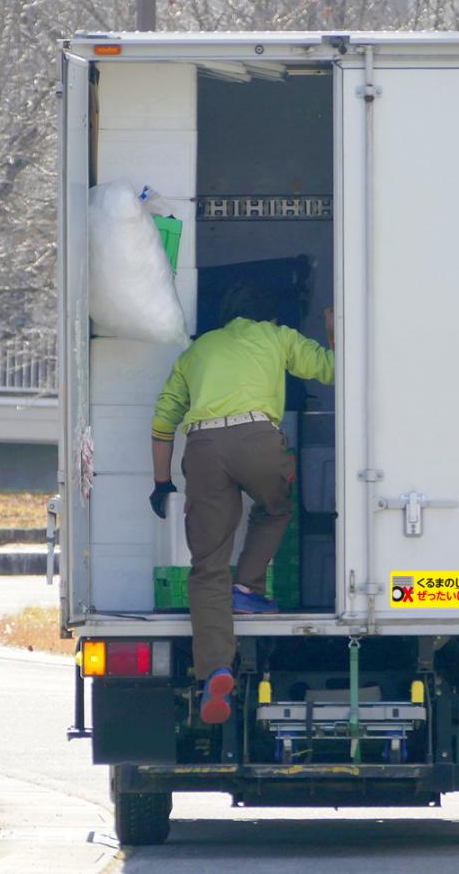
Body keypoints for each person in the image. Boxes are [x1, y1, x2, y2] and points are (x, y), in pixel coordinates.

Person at [149, 283, 334, 724]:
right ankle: (249, 589)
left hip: (203, 447)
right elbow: (330, 370)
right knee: (275, 507)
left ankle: (215, 669)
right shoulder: (277, 336)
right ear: (267, 315)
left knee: (208, 564)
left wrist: (161, 482)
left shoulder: (197, 351)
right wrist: (332, 331)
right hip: (258, 441)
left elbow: (162, 422)